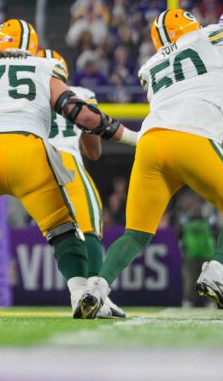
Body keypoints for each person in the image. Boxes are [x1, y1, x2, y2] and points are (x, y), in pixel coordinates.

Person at [0, 19, 139, 318]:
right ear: (32, 50)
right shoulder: (42, 70)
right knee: (64, 231)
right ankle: (79, 295)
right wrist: (131, 137)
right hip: (28, 153)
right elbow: (84, 117)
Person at [78, 10, 223, 317]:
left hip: (151, 143)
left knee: (135, 233)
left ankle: (97, 286)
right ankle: (215, 270)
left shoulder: (149, 66)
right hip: (192, 137)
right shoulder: (215, 37)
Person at [37, 48, 126, 319]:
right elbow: (94, 153)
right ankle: (98, 297)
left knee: (61, 233)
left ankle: (79, 294)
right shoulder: (82, 94)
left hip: (32, 164)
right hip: (66, 160)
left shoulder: (28, 93)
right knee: (88, 228)